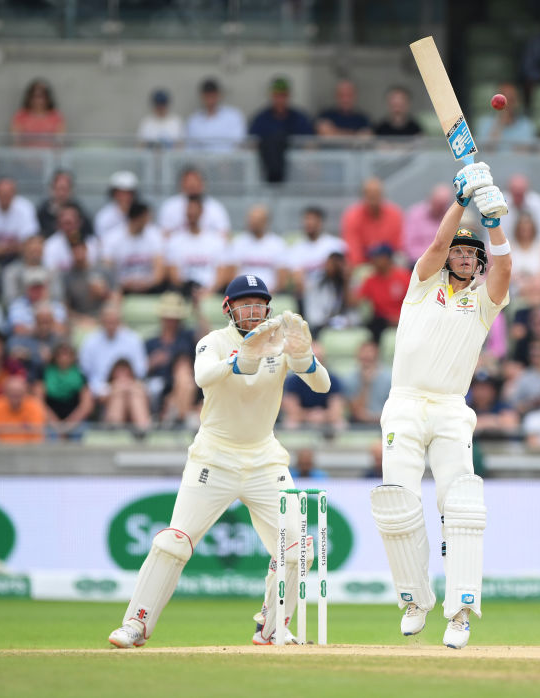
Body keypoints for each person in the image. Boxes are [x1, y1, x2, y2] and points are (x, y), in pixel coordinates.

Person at [107, 274, 332, 649]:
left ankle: (272, 629)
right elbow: (202, 377)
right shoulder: (212, 342)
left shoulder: (278, 343)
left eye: (260, 304)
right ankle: (135, 623)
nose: (253, 310)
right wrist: (240, 358)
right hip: (214, 458)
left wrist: (305, 359)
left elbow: (322, 386)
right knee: (175, 542)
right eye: (245, 304)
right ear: (229, 308)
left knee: (298, 548)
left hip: (265, 460)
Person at [370, 161, 510, 649]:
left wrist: (493, 224)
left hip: (451, 408)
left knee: (462, 505)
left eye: (473, 254)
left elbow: (505, 269)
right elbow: (434, 245)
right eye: (460, 251)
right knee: (397, 501)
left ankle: (461, 611)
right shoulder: (423, 284)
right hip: (405, 404)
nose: (466, 257)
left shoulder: (485, 302)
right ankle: (415, 600)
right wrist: (460, 200)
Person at [248, 76, 315, 182]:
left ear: (288, 95)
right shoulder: (261, 118)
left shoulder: (299, 118)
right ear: (271, 95)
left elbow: (310, 144)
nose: (280, 99)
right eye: (277, 95)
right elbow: (251, 144)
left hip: (298, 171)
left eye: (283, 95)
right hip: (265, 173)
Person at [145, 293, 197, 425]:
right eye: (168, 318)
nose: (171, 322)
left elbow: (205, 337)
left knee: (185, 379)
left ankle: (177, 415)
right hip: (159, 388)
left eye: (174, 318)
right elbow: (140, 370)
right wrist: (152, 362)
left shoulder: (187, 338)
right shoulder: (151, 343)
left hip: (185, 386)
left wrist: (198, 310)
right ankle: (179, 416)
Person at [164, 196, 231, 298]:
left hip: (211, 294)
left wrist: (208, 292)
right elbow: (174, 276)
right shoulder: (175, 241)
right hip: (184, 293)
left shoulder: (216, 241)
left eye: (195, 210)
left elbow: (221, 274)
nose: (192, 213)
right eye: (189, 210)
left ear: (201, 212)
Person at [103, 201, 165, 295]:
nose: (148, 222)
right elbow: (107, 268)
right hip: (121, 289)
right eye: (146, 218)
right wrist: (122, 283)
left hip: (149, 289)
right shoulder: (113, 238)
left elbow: (159, 270)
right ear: (137, 218)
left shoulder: (154, 235)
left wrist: (147, 283)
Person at [281, 344, 347, 431]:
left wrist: (322, 416)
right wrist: (310, 416)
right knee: (290, 424)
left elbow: (336, 411)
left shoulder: (333, 380)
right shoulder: (293, 380)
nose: (315, 363)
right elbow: (292, 411)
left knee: (340, 424)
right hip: (302, 420)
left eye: (319, 359)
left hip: (326, 420)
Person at [354, 244, 412, 342]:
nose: (373, 261)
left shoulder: (404, 277)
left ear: (387, 258)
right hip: (381, 322)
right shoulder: (371, 280)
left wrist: (401, 319)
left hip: (404, 319)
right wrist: (346, 280)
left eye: (377, 257)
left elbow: (416, 300)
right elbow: (354, 302)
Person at [226, 205, 289, 293]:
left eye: (258, 220)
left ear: (266, 222)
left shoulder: (278, 244)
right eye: (251, 219)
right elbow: (231, 275)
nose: (253, 222)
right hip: (242, 293)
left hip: (270, 294)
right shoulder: (238, 243)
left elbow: (282, 279)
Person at [36, 342, 93, 441]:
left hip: (75, 422)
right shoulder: (44, 373)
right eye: (60, 354)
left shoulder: (81, 375)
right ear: (55, 356)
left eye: (67, 354)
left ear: (73, 357)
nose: (64, 357)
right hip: (50, 421)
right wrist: (56, 425)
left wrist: (68, 426)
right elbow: (39, 402)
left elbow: (86, 405)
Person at [341, 177, 404, 266]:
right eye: (370, 194)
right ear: (363, 195)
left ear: (382, 194)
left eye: (376, 193)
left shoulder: (395, 214)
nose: (373, 197)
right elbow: (353, 249)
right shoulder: (352, 216)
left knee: (402, 261)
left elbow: (398, 244)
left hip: (390, 262)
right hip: (364, 263)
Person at [157, 166, 231, 238]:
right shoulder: (169, 207)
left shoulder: (215, 207)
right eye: (188, 181)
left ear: (203, 184)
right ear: (181, 184)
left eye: (196, 181)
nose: (192, 185)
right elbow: (163, 235)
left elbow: (224, 234)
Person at [288, 206, 348, 296]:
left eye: (313, 220)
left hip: (332, 291)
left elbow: (343, 271)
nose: (309, 223)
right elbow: (297, 275)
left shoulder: (336, 245)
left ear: (320, 222)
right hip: (307, 293)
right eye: (307, 219)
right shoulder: (296, 248)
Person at [185, 78, 247, 152]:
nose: (210, 100)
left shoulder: (233, 116)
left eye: (213, 96)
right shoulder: (194, 120)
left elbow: (239, 143)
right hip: (200, 159)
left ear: (219, 96)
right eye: (207, 97)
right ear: (202, 97)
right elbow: (190, 147)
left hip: (229, 158)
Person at [507, 212, 540, 306]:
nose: (525, 231)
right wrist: (524, 283)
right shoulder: (509, 247)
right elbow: (506, 271)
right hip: (518, 285)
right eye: (522, 228)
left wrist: (535, 282)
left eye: (528, 228)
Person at [0, 373, 46, 443]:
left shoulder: (34, 407)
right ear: (5, 393)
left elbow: (37, 438)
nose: (15, 397)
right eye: (12, 394)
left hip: (27, 448)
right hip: (0, 448)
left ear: (24, 393)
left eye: (19, 394)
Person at [500, 174, 540, 250]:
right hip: (506, 250)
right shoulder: (499, 205)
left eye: (520, 192)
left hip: (537, 251)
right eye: (515, 192)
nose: (518, 196)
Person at [41, 204, 101, 274]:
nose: (69, 228)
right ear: (58, 224)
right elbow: (50, 271)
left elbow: (98, 268)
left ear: (79, 223)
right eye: (65, 223)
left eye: (71, 223)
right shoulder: (50, 245)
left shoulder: (93, 243)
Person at [344, 341, 392, 425]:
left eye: (370, 359)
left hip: (384, 423)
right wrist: (366, 384)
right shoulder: (351, 379)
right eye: (364, 359)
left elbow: (392, 409)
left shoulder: (389, 378)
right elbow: (356, 412)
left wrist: (374, 418)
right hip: (359, 425)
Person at [36, 171, 92, 240]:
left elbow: (88, 234)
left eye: (65, 189)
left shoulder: (79, 211)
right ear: (52, 189)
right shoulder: (43, 212)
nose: (61, 193)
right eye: (59, 189)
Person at [403, 185, 451, 264]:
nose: (439, 207)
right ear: (430, 199)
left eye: (442, 205)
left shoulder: (450, 217)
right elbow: (409, 246)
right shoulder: (415, 215)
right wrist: (430, 257)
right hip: (418, 261)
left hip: (443, 261)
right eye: (437, 203)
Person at [10, 78, 65, 147]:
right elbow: (17, 141)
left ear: (48, 98)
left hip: (48, 152)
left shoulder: (56, 116)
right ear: (29, 97)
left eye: (41, 96)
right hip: (26, 152)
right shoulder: (20, 116)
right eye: (34, 96)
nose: (37, 100)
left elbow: (59, 142)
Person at [94, 171, 139, 245]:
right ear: (113, 194)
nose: (125, 197)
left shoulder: (140, 214)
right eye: (121, 193)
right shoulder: (104, 216)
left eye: (129, 193)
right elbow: (101, 242)